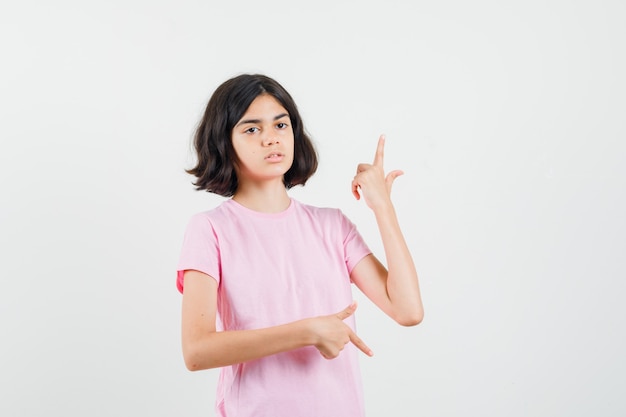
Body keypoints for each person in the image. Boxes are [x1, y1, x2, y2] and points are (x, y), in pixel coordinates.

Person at [176, 73, 423, 417]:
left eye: (281, 125)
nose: (271, 139)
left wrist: (383, 207)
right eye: (252, 129)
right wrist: (306, 331)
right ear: (224, 142)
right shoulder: (210, 229)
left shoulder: (331, 225)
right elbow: (197, 350)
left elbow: (408, 310)